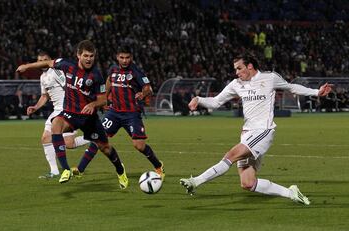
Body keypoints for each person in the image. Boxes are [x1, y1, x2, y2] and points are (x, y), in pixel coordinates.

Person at [180, 53, 333, 205]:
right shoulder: (236, 84)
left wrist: (316, 92)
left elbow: (291, 87)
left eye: (239, 68)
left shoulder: (270, 78)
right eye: (235, 69)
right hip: (247, 134)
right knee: (247, 183)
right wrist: (198, 99)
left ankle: (195, 181)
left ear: (250, 66)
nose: (237, 72)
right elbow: (215, 102)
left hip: (263, 131)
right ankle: (291, 192)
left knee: (230, 155)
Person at [16, 40, 128, 188]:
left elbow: (103, 100)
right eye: (86, 55)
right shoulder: (66, 65)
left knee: (105, 148)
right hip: (70, 114)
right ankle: (66, 170)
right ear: (78, 55)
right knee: (56, 124)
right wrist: (26, 66)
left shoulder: (96, 75)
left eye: (92, 56)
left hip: (89, 118)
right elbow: (47, 63)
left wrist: (93, 104)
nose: (89, 59)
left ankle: (120, 171)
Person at [72, 45, 165, 185]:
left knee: (139, 145)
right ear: (117, 57)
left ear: (131, 58)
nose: (125, 60)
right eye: (122, 57)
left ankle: (158, 166)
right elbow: (109, 81)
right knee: (98, 140)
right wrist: (104, 99)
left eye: (127, 57)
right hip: (114, 113)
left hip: (131, 114)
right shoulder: (113, 69)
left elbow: (148, 88)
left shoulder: (136, 71)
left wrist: (143, 93)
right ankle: (80, 169)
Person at [26, 51, 90, 179]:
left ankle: (94, 136)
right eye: (39, 60)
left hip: (66, 109)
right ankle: (54, 171)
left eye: (44, 59)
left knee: (58, 141)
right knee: (59, 141)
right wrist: (35, 107)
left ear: (50, 60)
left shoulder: (56, 71)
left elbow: (69, 87)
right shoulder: (42, 77)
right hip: (57, 110)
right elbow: (45, 96)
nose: (41, 62)